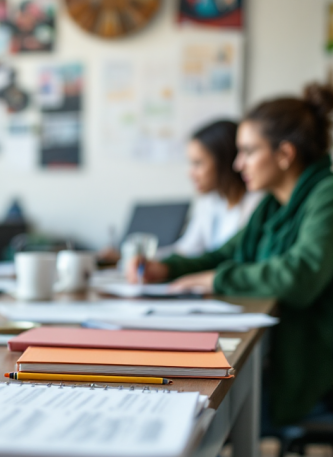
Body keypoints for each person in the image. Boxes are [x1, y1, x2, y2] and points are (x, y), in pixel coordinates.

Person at [127, 82, 333, 428]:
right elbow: (222, 254)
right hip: (279, 361)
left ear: (284, 154)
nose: (238, 164)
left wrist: (218, 278)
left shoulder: (325, 195)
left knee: (187, 418)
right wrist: (165, 268)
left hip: (311, 376)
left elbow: (301, 275)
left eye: (249, 151)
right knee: (175, 406)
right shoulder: (272, 205)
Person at [167, 120, 263, 257]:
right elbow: (186, 250)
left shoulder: (259, 203)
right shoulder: (209, 202)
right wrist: (145, 259)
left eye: (198, 163)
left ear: (224, 161)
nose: (190, 173)